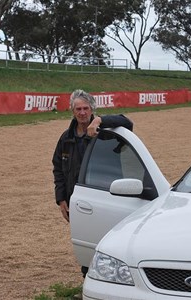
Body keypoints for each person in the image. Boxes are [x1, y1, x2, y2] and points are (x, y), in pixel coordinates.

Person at [52, 89, 133, 277]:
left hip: (105, 198)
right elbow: (58, 169)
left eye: (86, 108)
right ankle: (88, 279)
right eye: (78, 109)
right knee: (86, 246)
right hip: (79, 201)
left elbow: (127, 123)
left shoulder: (105, 132)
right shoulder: (66, 138)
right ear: (72, 111)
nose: (82, 113)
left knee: (110, 244)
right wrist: (61, 199)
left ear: (92, 109)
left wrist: (99, 121)